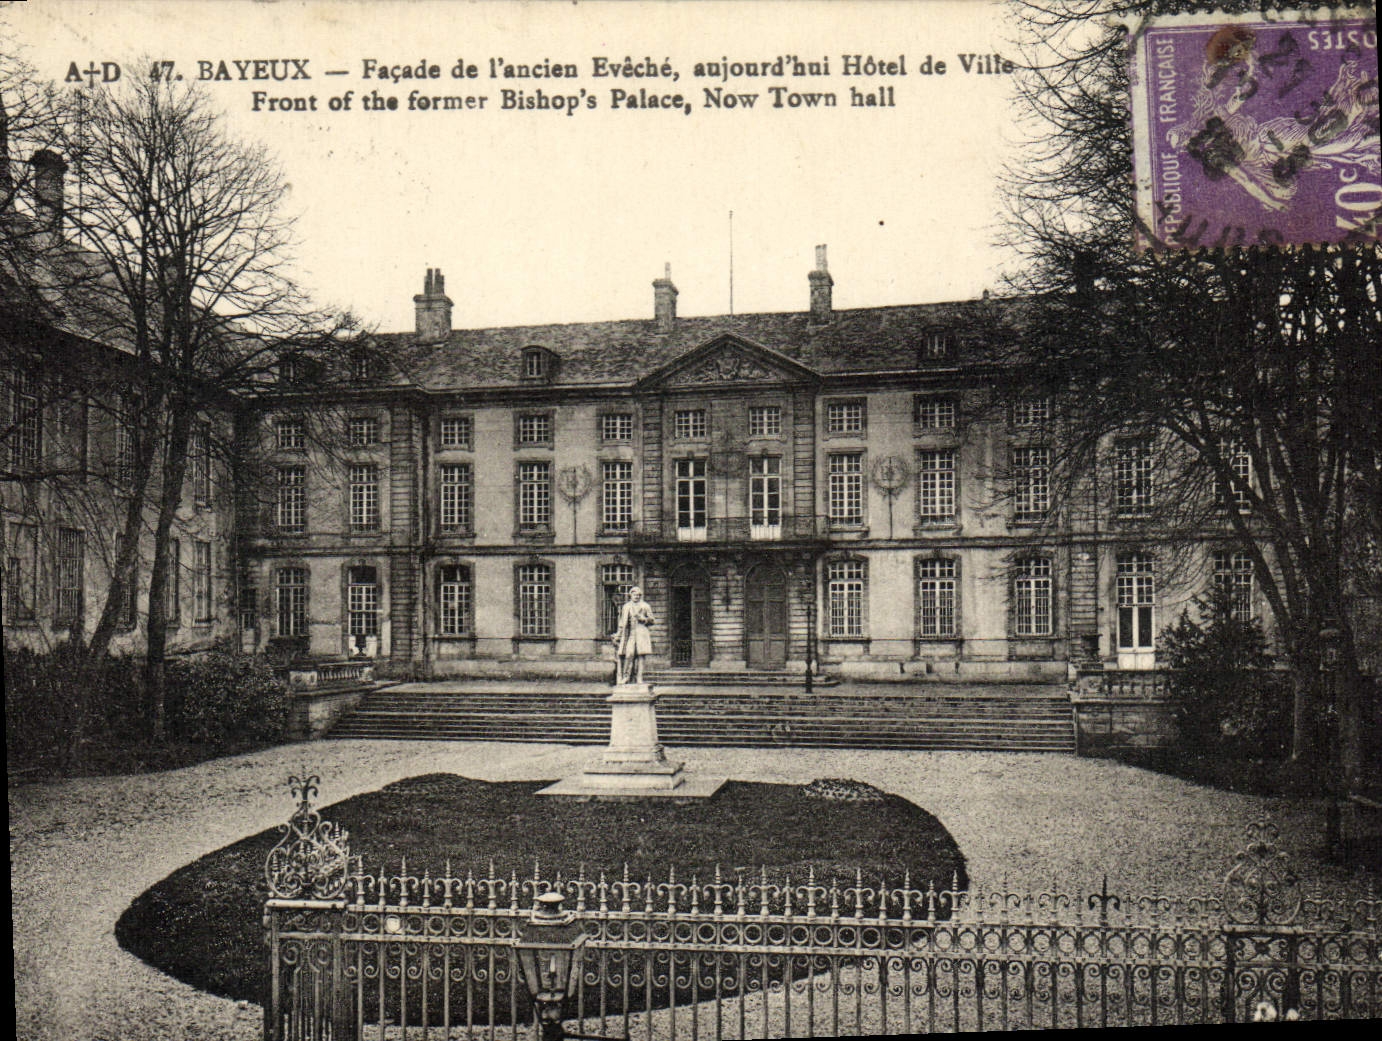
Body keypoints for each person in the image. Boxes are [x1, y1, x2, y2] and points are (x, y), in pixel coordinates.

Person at [613, 586, 654, 685]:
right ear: (630, 595)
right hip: (630, 634)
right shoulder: (626, 606)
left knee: (641, 656)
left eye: (638, 595)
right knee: (629, 654)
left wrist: (644, 619)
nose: (636, 596)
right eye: (635, 595)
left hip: (641, 634)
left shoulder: (645, 606)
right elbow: (622, 622)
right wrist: (618, 634)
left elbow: (652, 620)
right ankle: (626, 677)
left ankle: (639, 678)